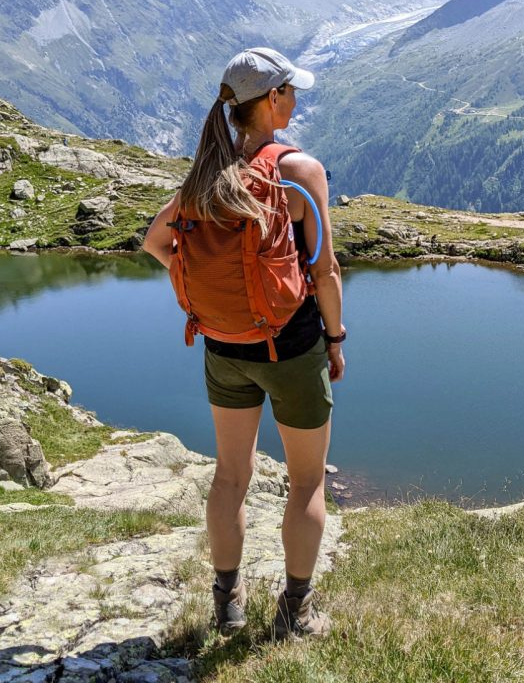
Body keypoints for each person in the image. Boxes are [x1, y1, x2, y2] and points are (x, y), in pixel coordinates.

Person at [144, 47, 345, 641]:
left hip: (224, 348)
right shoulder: (297, 170)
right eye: (291, 91)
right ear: (274, 100)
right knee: (306, 482)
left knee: (231, 477)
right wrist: (335, 339)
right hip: (290, 346)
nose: (295, 100)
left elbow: (157, 241)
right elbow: (326, 271)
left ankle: (227, 602)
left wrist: (199, 300)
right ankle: (295, 611)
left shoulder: (207, 170)